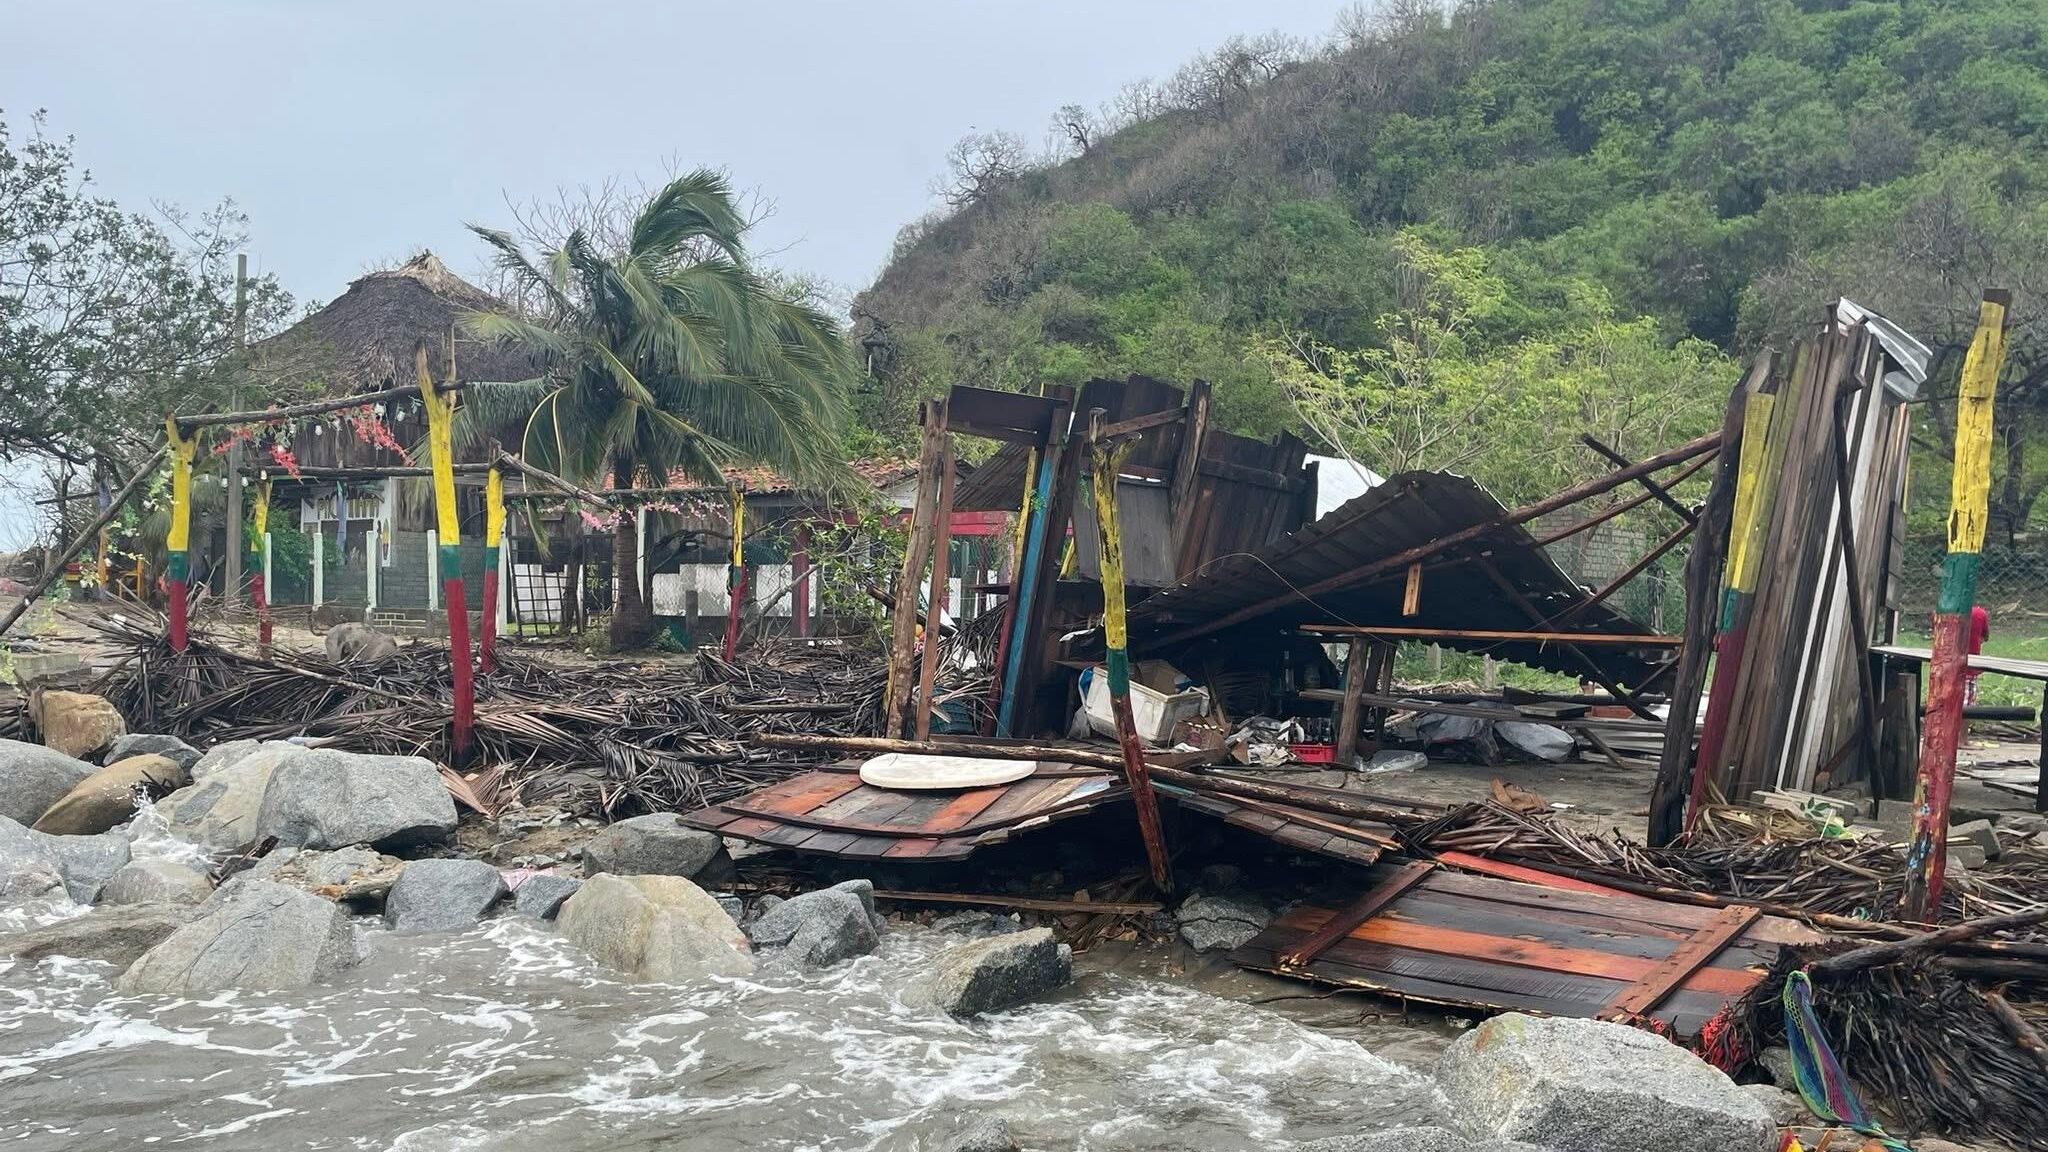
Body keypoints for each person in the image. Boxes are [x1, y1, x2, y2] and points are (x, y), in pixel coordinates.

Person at [1965, 602, 1990, 706]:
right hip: (1970, 665)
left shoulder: (1945, 611)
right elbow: (1986, 636)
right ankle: (1967, 717)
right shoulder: (1979, 613)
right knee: (1968, 698)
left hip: (1947, 665)